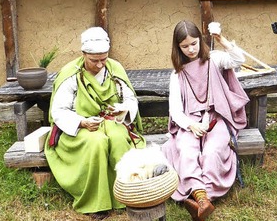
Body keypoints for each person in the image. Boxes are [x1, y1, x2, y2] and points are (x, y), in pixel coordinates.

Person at [44, 27, 145, 220]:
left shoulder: (115, 69)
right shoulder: (70, 74)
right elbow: (59, 111)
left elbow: (131, 100)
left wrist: (122, 110)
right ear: (83, 55)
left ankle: (125, 196)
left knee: (116, 138)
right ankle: (96, 203)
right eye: (94, 60)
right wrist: (81, 122)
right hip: (80, 127)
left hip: (110, 122)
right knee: (96, 142)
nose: (100, 65)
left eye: (103, 59)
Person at [162, 20, 249, 221]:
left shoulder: (215, 59)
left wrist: (221, 40)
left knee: (212, 151)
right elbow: (175, 110)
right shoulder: (177, 74)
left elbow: (238, 59)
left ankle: (202, 197)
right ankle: (202, 199)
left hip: (216, 117)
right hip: (190, 121)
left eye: (194, 43)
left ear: (200, 41)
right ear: (178, 47)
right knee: (186, 149)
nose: (191, 49)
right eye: (185, 46)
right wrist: (191, 125)